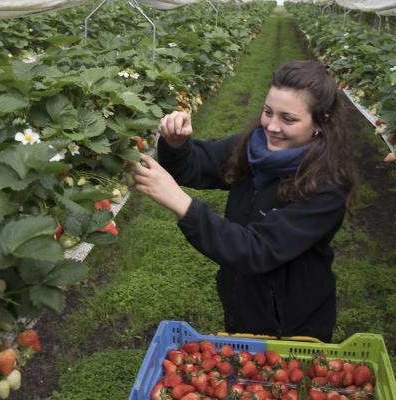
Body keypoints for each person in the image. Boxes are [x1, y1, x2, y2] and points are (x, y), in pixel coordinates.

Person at [133, 59, 358, 342]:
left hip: (292, 322)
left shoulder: (327, 186)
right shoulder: (253, 148)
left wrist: (180, 203)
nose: (272, 127)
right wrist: (176, 144)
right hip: (243, 298)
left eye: (288, 119)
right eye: (268, 112)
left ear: (320, 123)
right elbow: (195, 165)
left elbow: (256, 250)